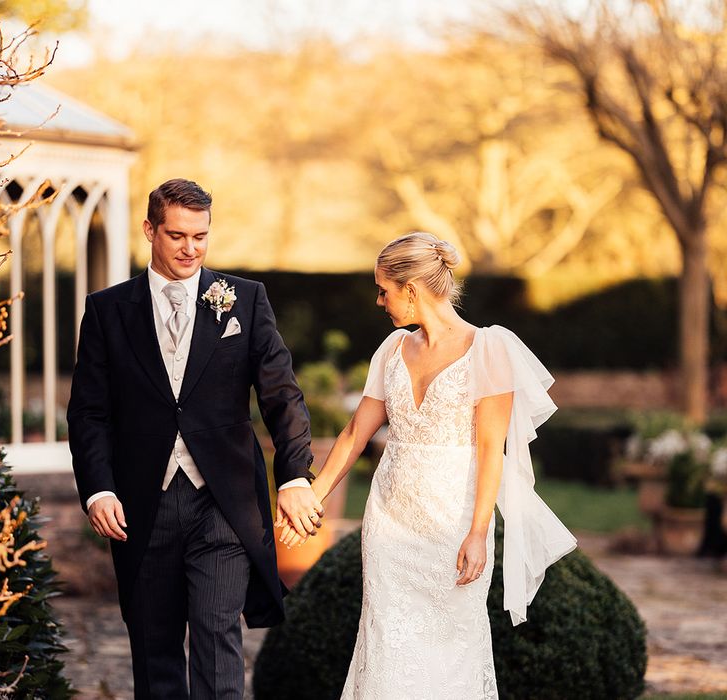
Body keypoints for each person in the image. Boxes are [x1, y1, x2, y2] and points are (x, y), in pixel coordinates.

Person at [278, 231, 577, 698]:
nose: (379, 301)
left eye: (384, 290)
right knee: (385, 644)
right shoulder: (392, 350)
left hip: (453, 527)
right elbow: (356, 433)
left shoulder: (489, 349)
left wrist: (479, 533)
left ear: (411, 290)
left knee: (452, 649)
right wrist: (311, 502)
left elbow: (490, 448)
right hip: (390, 525)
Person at [67, 178, 323, 699]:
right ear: (150, 230)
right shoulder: (108, 310)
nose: (191, 249)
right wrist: (99, 488)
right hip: (141, 503)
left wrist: (295, 475)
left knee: (217, 638)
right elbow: (89, 412)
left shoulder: (245, 302)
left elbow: (282, 397)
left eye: (201, 236)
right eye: (178, 235)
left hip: (223, 503)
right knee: (155, 651)